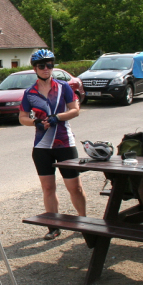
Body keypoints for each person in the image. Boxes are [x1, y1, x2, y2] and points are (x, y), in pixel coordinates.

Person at [19, 49, 87, 240]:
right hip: (42, 146)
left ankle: (84, 222)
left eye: (50, 64)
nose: (46, 68)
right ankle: (53, 226)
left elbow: (75, 110)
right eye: (42, 65)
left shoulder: (64, 87)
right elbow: (22, 117)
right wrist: (35, 122)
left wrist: (58, 117)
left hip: (64, 142)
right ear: (35, 68)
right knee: (48, 188)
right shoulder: (29, 93)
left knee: (75, 187)